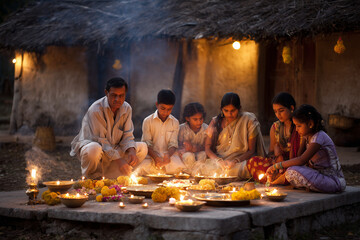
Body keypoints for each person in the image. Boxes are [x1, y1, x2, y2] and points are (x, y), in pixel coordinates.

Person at [70, 77, 148, 179]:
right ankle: (93, 179)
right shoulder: (96, 109)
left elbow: (128, 135)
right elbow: (101, 141)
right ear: (106, 93)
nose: (117, 99)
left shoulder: (127, 108)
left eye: (121, 96)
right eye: (114, 95)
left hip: (113, 149)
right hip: (97, 148)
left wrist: (132, 151)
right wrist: (120, 161)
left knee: (142, 147)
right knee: (94, 149)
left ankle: (116, 176)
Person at [266, 104, 346, 193]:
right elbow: (299, 157)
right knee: (291, 170)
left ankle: (312, 186)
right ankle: (279, 182)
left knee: (291, 171)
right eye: (295, 126)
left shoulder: (319, 137)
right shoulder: (306, 137)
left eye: (299, 126)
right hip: (318, 175)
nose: (296, 130)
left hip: (333, 181)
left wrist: (277, 166)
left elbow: (301, 160)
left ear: (310, 124)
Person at [202, 92, 266, 178]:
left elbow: (251, 151)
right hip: (220, 162)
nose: (229, 114)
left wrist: (235, 161)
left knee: (253, 166)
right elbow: (207, 149)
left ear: (239, 109)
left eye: (233, 111)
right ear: (221, 109)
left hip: (241, 162)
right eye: (226, 111)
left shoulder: (249, 120)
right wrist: (219, 161)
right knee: (205, 166)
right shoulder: (215, 121)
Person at [247, 92, 305, 183]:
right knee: (253, 161)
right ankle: (279, 178)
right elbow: (271, 153)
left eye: (281, 110)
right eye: (275, 111)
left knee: (296, 171)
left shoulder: (300, 126)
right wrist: (277, 156)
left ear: (291, 108)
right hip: (279, 164)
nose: (278, 114)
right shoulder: (275, 127)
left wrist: (284, 161)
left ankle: (280, 178)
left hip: (295, 163)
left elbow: (303, 156)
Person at [139, 89, 186, 174]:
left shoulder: (175, 122)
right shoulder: (148, 121)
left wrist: (168, 155)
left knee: (180, 169)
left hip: (168, 157)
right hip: (151, 156)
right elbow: (146, 143)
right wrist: (156, 157)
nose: (165, 112)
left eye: (169, 109)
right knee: (142, 167)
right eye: (163, 108)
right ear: (157, 104)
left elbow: (173, 143)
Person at [178, 102, 208, 175]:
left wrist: (194, 148)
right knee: (189, 156)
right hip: (186, 156)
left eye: (201, 119)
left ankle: (199, 174)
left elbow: (208, 147)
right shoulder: (181, 129)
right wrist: (184, 149)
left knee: (203, 154)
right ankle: (190, 174)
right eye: (195, 119)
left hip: (200, 154)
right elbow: (178, 146)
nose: (199, 122)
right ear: (187, 118)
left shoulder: (206, 129)